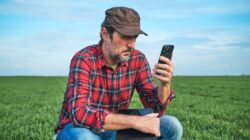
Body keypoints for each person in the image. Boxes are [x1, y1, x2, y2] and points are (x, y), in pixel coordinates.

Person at [54, 6, 183, 140]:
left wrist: (165, 84)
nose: (132, 45)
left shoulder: (138, 59)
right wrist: (136, 121)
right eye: (125, 37)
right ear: (105, 34)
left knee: (172, 126)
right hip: (79, 129)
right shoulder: (84, 59)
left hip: (118, 127)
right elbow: (80, 115)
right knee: (84, 138)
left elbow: (155, 109)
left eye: (134, 37)